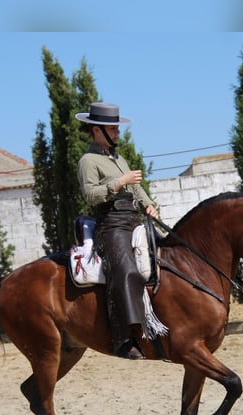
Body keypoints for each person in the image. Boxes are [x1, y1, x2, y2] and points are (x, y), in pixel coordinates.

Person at [75, 102, 159, 360]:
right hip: (111, 224)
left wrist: (148, 204)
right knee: (125, 270)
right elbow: (90, 195)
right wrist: (119, 182)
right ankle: (125, 338)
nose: (118, 133)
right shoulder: (88, 160)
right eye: (114, 128)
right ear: (98, 131)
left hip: (133, 218)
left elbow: (136, 188)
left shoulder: (118, 158)